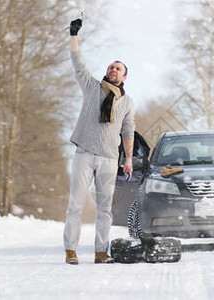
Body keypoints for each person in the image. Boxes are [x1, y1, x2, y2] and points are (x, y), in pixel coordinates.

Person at [63, 18, 135, 265]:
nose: (113, 70)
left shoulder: (127, 102)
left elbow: (128, 130)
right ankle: (70, 251)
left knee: (105, 209)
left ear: (124, 76)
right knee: (76, 205)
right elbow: (78, 64)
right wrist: (74, 35)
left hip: (108, 158)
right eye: (110, 67)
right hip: (84, 153)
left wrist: (128, 159)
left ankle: (101, 252)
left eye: (118, 68)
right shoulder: (92, 87)